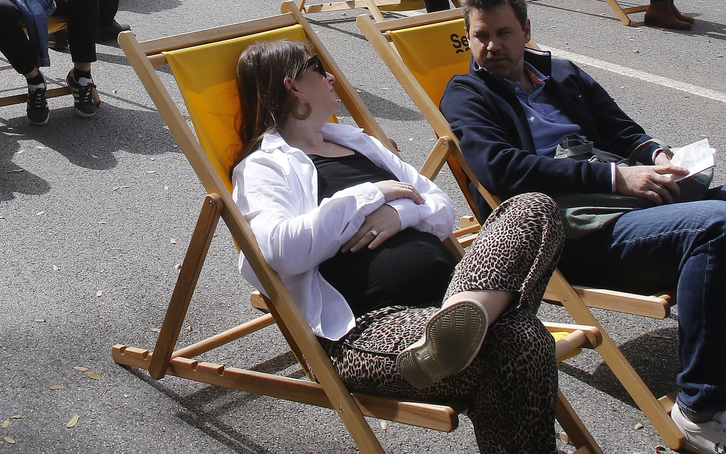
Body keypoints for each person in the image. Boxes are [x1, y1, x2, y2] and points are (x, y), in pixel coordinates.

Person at [441, 0, 726, 454]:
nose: (492, 46)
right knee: (719, 223)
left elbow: (623, 130)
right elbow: (499, 169)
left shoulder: (561, 74)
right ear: (468, 39)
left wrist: (657, 155)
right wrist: (616, 177)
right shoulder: (467, 93)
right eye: (480, 35)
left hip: (633, 204)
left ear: (526, 31)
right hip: (572, 232)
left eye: (504, 33)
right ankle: (703, 409)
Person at [231, 39, 567, 454]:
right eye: (318, 67)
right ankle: (452, 335)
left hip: (450, 294)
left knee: (533, 207)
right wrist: (371, 195)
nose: (331, 76)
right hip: (371, 327)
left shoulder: (358, 142)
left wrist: (399, 215)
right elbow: (281, 250)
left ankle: (463, 321)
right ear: (293, 87)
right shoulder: (265, 165)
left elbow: (440, 207)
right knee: (521, 337)